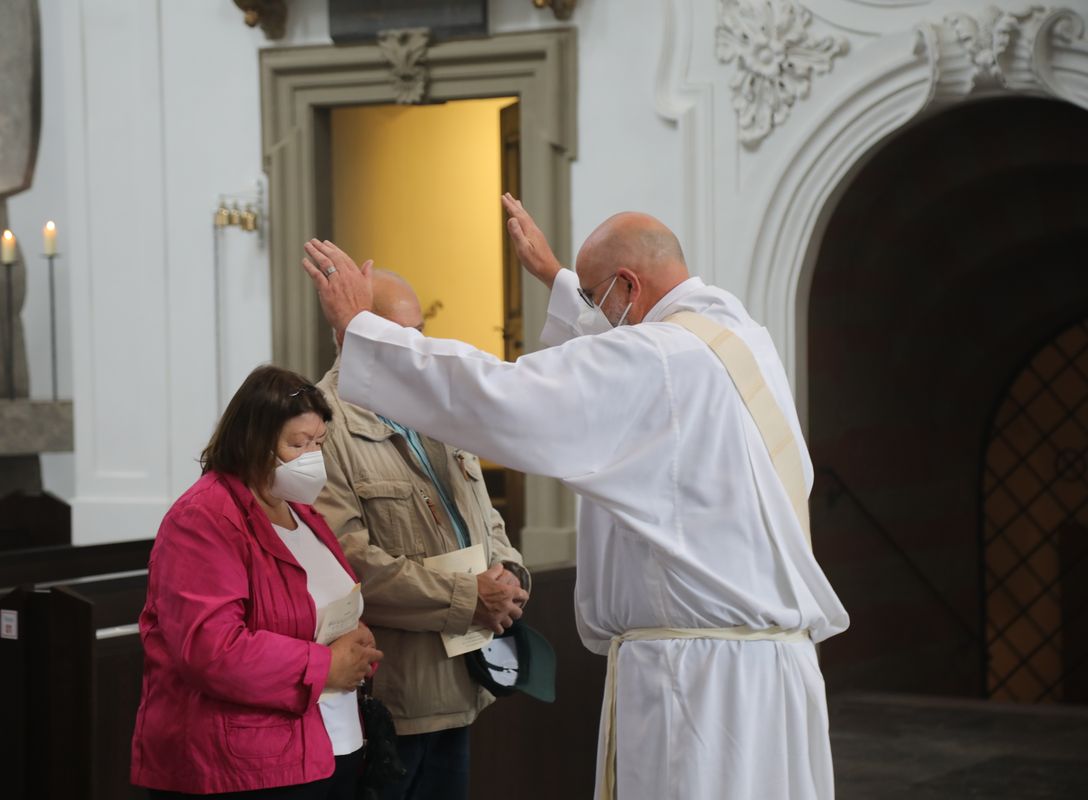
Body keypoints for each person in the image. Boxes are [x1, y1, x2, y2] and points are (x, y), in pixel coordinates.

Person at [298, 195, 850, 800]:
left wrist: (363, 330)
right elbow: (618, 355)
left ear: (628, 286)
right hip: (768, 674)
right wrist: (562, 284)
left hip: (699, 687)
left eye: (595, 298)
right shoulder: (736, 340)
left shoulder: (660, 359)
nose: (593, 315)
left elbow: (506, 395)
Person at [313, 269, 530, 800]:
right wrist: (468, 597)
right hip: (393, 696)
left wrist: (511, 574)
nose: (417, 349)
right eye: (399, 334)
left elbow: (484, 513)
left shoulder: (435, 406)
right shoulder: (322, 422)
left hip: (461, 681)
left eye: (419, 332)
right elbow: (350, 563)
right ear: (350, 335)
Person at [131, 365, 383, 798]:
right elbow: (212, 649)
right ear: (254, 440)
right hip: (244, 767)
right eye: (297, 443)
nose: (311, 456)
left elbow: (319, 607)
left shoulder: (302, 512)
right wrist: (326, 667)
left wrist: (354, 641)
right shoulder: (203, 518)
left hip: (329, 745)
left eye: (319, 443)